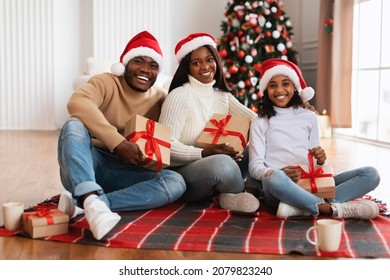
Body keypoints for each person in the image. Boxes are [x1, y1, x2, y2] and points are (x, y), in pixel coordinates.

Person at [57, 31, 186, 240]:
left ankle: (89, 203)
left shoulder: (162, 99)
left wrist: (147, 159)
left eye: (153, 66)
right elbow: (77, 103)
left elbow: (166, 141)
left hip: (125, 173)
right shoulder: (107, 82)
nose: (145, 69)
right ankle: (89, 194)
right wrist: (118, 143)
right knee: (73, 125)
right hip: (90, 162)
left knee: (176, 182)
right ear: (125, 63)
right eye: (138, 61)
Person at [247, 58, 380, 219]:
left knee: (371, 174)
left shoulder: (309, 117)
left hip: (310, 182)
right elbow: (255, 167)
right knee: (273, 177)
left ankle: (302, 207)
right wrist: (279, 172)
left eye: (285, 83)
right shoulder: (259, 121)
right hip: (278, 188)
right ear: (266, 90)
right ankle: (328, 209)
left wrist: (321, 160)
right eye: (272, 85)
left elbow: (315, 163)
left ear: (295, 87)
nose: (279, 90)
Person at [158, 32, 259, 213]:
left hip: (214, 163)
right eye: (196, 63)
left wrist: (295, 112)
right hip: (182, 173)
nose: (205, 66)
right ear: (187, 67)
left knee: (258, 145)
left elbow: (257, 122)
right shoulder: (180, 96)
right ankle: (241, 192)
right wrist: (204, 153)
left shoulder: (222, 96)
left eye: (209, 59)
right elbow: (165, 146)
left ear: (216, 61)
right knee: (223, 164)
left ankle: (242, 192)